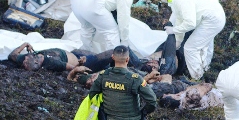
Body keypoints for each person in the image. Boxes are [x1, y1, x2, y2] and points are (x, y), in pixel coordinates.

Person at [153, 0, 226, 81]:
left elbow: (190, 23)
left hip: (212, 20)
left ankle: (196, 77)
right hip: (211, 17)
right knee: (198, 45)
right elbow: (180, 19)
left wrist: (174, 30)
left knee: (190, 48)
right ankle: (203, 69)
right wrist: (178, 40)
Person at [71, 0, 146, 51]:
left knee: (87, 29)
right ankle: (113, 56)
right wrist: (124, 41)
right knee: (111, 33)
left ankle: (84, 53)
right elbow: (123, 19)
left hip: (76, 2)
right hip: (93, 5)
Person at [8, 42, 146, 72]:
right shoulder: (51, 62)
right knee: (119, 51)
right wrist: (81, 64)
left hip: (75, 53)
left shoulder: (26, 57)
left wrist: (25, 44)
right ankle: (140, 66)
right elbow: (74, 69)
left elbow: (12, 55)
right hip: (86, 62)